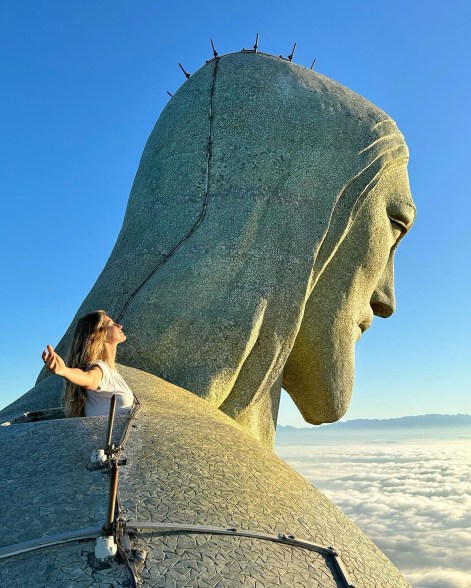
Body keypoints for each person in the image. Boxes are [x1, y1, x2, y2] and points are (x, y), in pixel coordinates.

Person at [42, 310, 134, 418]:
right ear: (99, 334)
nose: (119, 326)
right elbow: (89, 379)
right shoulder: (100, 369)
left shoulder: (111, 371)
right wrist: (64, 371)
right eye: (112, 324)